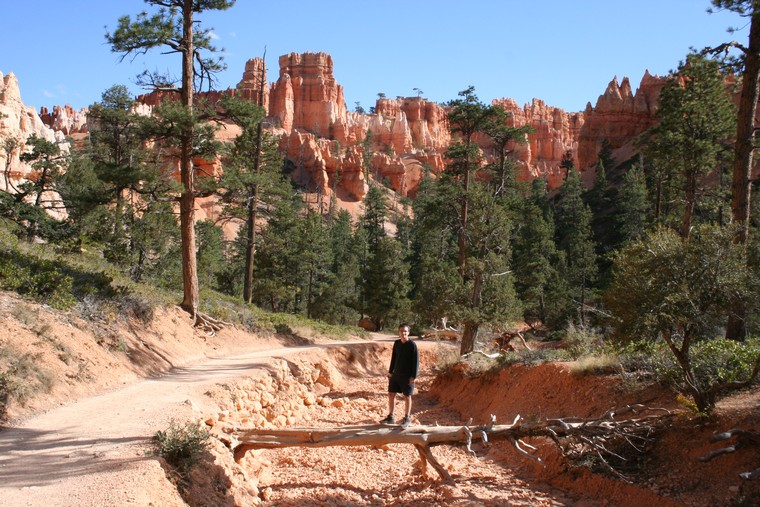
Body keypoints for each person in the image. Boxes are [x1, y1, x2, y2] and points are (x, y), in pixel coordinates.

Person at [380, 323, 419, 427]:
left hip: (407, 376)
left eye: (405, 331)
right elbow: (393, 358)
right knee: (391, 394)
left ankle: (407, 418)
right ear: (399, 332)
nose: (403, 333)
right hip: (395, 374)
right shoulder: (397, 343)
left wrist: (413, 376)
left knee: (407, 396)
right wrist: (390, 372)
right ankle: (391, 417)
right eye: (401, 331)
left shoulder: (412, 345)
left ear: (408, 333)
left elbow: (416, 361)